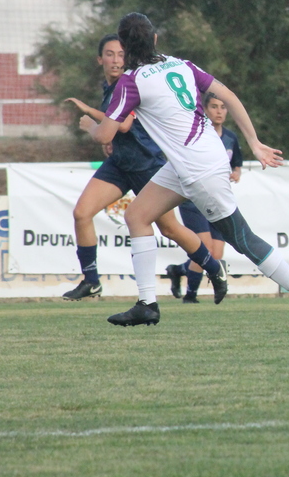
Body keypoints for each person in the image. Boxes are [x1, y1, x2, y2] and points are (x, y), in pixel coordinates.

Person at [90, 12, 289, 326]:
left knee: (242, 239)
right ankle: (146, 304)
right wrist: (254, 142)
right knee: (137, 215)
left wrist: (89, 127)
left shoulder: (131, 82)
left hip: (199, 170)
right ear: (155, 40)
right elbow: (227, 94)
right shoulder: (181, 64)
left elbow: (106, 134)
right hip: (192, 162)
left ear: (125, 46)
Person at [61, 34, 218, 302]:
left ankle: (215, 269)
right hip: (120, 165)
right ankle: (91, 280)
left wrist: (91, 122)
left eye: (121, 55)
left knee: (170, 229)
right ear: (100, 59)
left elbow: (123, 125)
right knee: (81, 213)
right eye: (109, 54)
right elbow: (118, 130)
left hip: (148, 165)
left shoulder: (128, 83)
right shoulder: (109, 87)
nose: (115, 60)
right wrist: (107, 142)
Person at [165, 92, 244, 304]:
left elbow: (237, 164)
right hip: (193, 200)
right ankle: (191, 296)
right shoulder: (198, 135)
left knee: (216, 254)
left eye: (223, 107)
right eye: (214, 107)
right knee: (205, 248)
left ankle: (178, 270)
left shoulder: (230, 138)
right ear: (205, 110)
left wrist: (236, 173)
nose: (219, 111)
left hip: (217, 199)